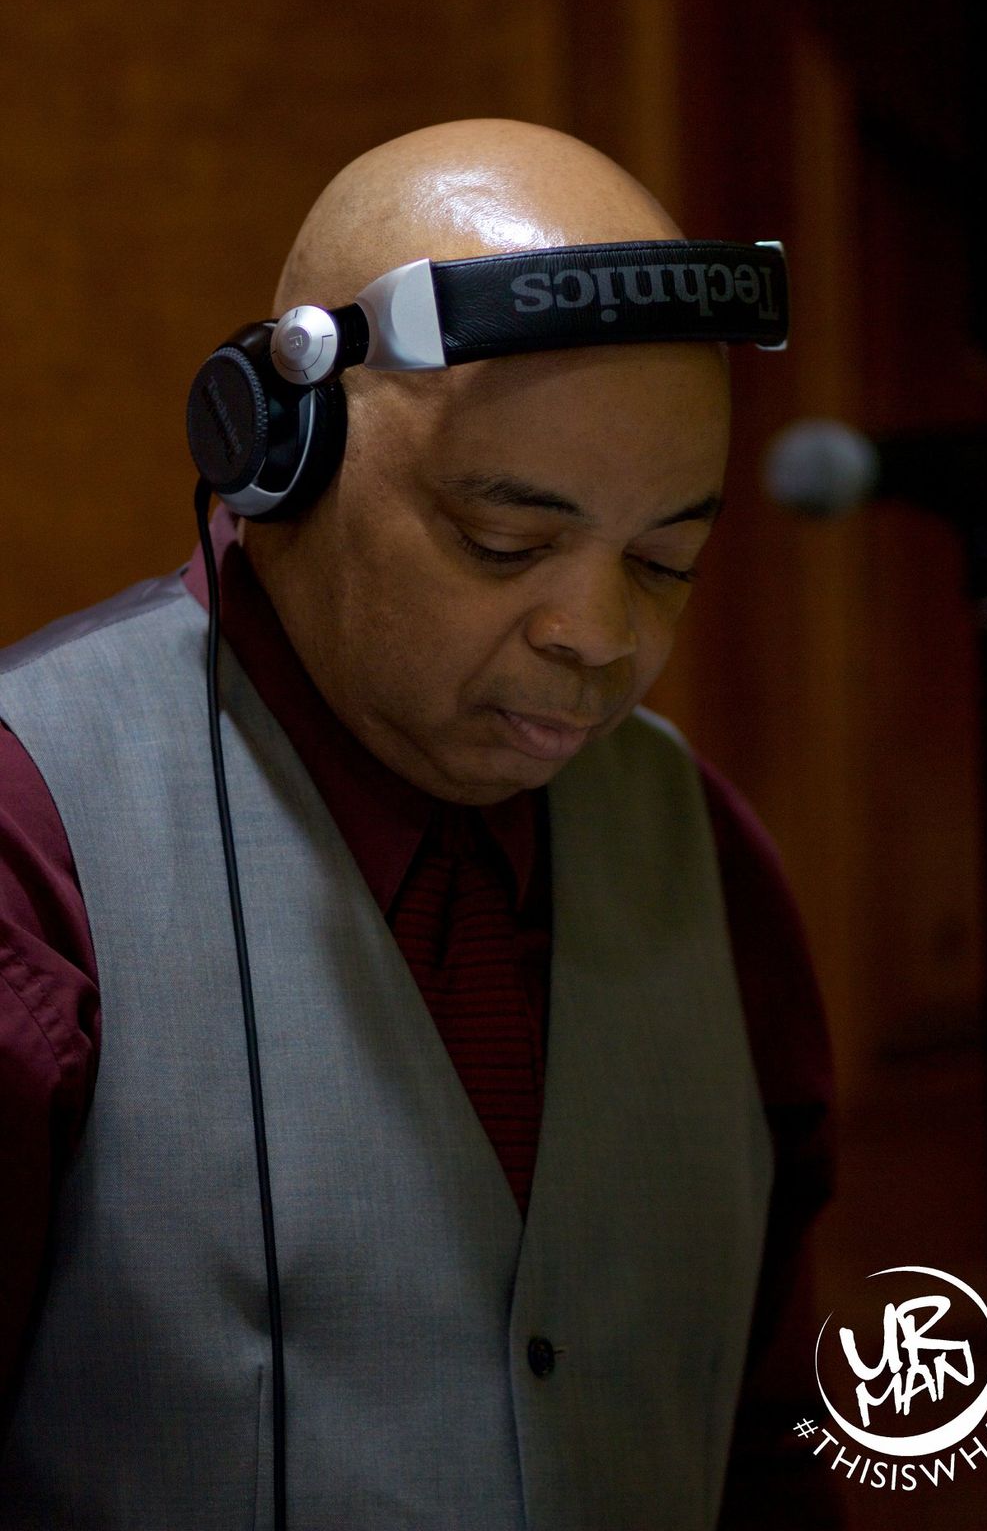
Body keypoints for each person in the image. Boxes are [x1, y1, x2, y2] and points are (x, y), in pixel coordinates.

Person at [0, 119, 839, 1528]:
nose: (599, 635)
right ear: (282, 453)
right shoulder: (34, 850)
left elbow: (770, 1449)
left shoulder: (706, 855)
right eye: (505, 544)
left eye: (666, 561)